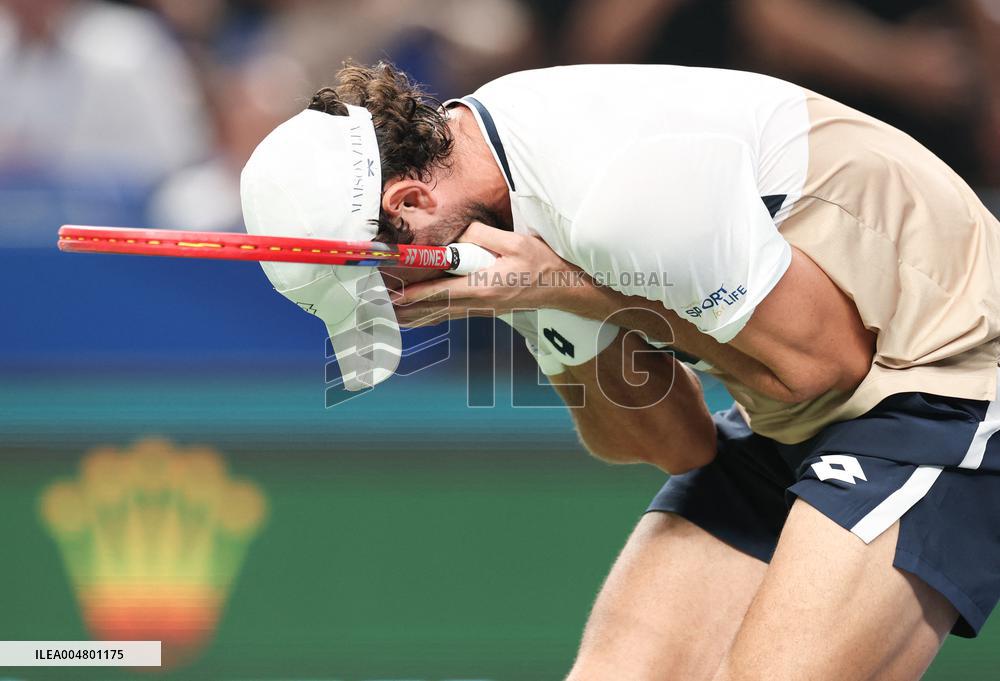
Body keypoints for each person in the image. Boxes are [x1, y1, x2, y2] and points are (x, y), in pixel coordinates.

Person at [238, 61, 1000, 680]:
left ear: (410, 201)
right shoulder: (494, 206)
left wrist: (566, 289)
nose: (401, 304)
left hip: (944, 379)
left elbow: (825, 365)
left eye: (384, 283)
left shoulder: (614, 189)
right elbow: (675, 442)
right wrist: (551, 299)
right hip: (796, 413)